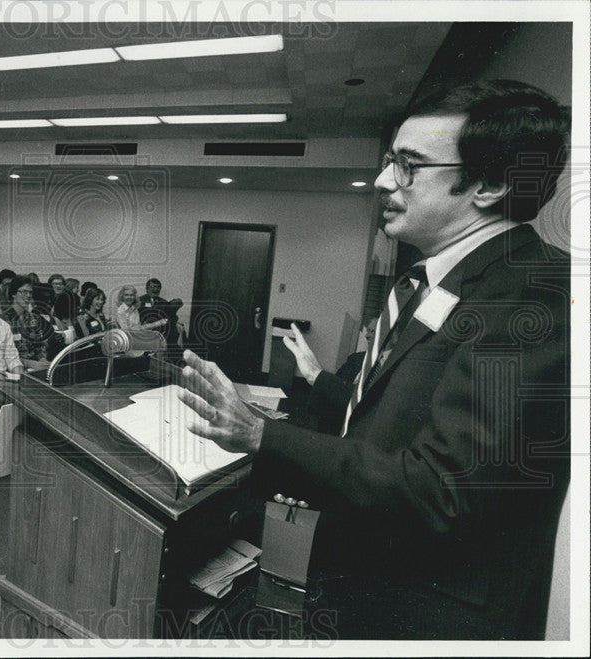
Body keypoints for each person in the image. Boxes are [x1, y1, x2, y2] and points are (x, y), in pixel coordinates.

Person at [176, 80, 570, 640]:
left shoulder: (530, 295)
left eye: (409, 165)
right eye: (390, 161)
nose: (384, 181)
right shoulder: (431, 281)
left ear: (491, 182)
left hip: (427, 613)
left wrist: (265, 436)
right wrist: (313, 389)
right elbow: (392, 412)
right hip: (371, 581)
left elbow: (444, 488)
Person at [2, 275, 51, 371]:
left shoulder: (34, 318)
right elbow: (3, 355)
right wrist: (30, 363)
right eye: (24, 292)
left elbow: (40, 346)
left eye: (30, 292)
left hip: (35, 368)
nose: (28, 296)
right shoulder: (3, 320)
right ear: (13, 294)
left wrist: (42, 359)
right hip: (15, 370)